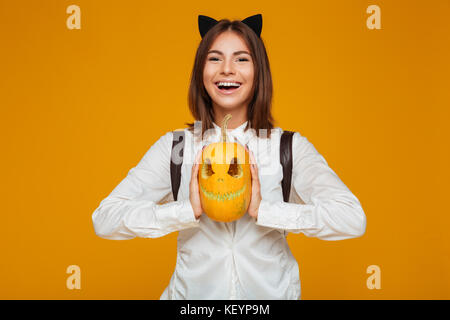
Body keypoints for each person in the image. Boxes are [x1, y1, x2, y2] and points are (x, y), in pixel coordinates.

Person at [91, 14, 367, 300]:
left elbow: (351, 218)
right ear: (201, 71)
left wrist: (266, 211)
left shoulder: (288, 148)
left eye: (241, 59)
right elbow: (105, 219)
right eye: (214, 58)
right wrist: (187, 210)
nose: (227, 70)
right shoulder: (176, 148)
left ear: (259, 72)